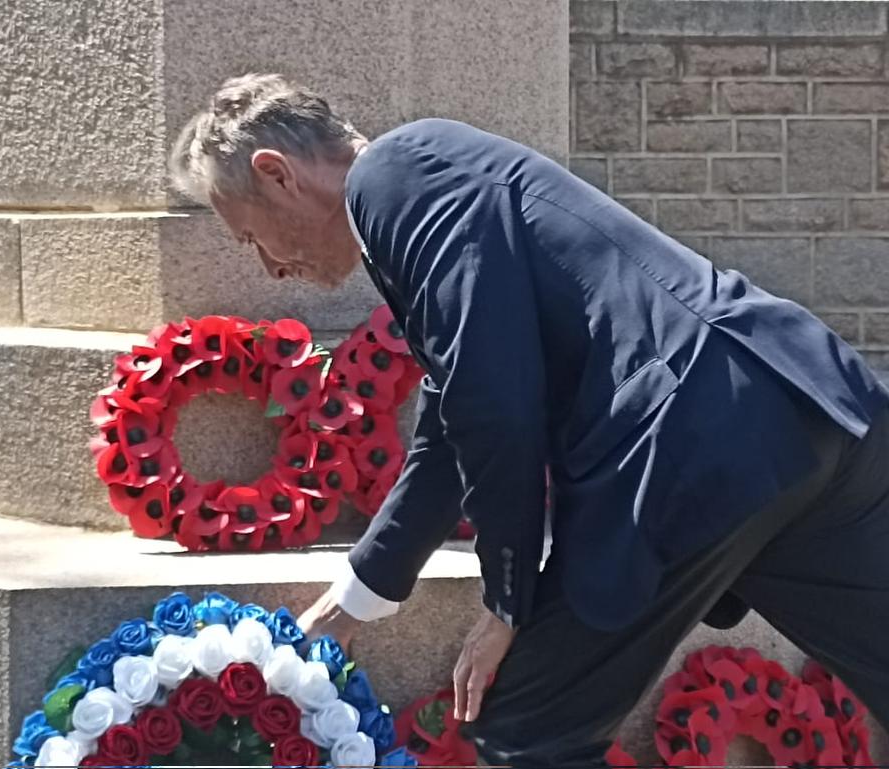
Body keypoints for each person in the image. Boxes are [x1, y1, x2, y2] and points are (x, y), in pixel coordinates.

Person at [170, 73, 889, 768]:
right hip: (803, 410)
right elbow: (455, 426)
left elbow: (493, 405)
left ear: (277, 174)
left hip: (696, 444)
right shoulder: (419, 177)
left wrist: (508, 599)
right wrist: (355, 596)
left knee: (528, 722)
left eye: (250, 238)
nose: (269, 267)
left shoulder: (395, 179)